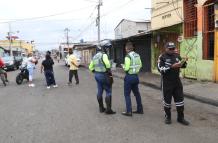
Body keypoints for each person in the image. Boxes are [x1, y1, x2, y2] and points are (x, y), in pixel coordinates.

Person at [157, 42, 189, 126]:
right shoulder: (162, 57)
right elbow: (160, 69)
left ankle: (180, 118)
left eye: (173, 48)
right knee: (167, 102)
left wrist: (184, 61)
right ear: (166, 48)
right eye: (170, 49)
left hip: (177, 82)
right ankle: (168, 117)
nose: (172, 50)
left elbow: (183, 66)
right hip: (167, 83)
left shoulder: (177, 55)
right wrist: (171, 67)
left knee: (180, 101)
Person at [89, 40, 116, 114]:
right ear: (103, 48)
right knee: (108, 91)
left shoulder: (94, 56)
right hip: (104, 75)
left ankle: (101, 108)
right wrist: (109, 71)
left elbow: (90, 67)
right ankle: (108, 110)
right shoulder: (104, 55)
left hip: (97, 75)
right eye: (106, 48)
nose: (107, 50)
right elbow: (107, 65)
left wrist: (96, 72)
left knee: (99, 91)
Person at [121, 42, 143, 117]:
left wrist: (123, 67)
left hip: (129, 77)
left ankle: (129, 111)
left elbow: (126, 68)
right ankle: (140, 109)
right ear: (132, 48)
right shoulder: (137, 55)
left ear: (127, 49)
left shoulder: (127, 56)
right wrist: (135, 70)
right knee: (137, 94)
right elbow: (140, 65)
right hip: (136, 76)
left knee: (127, 94)